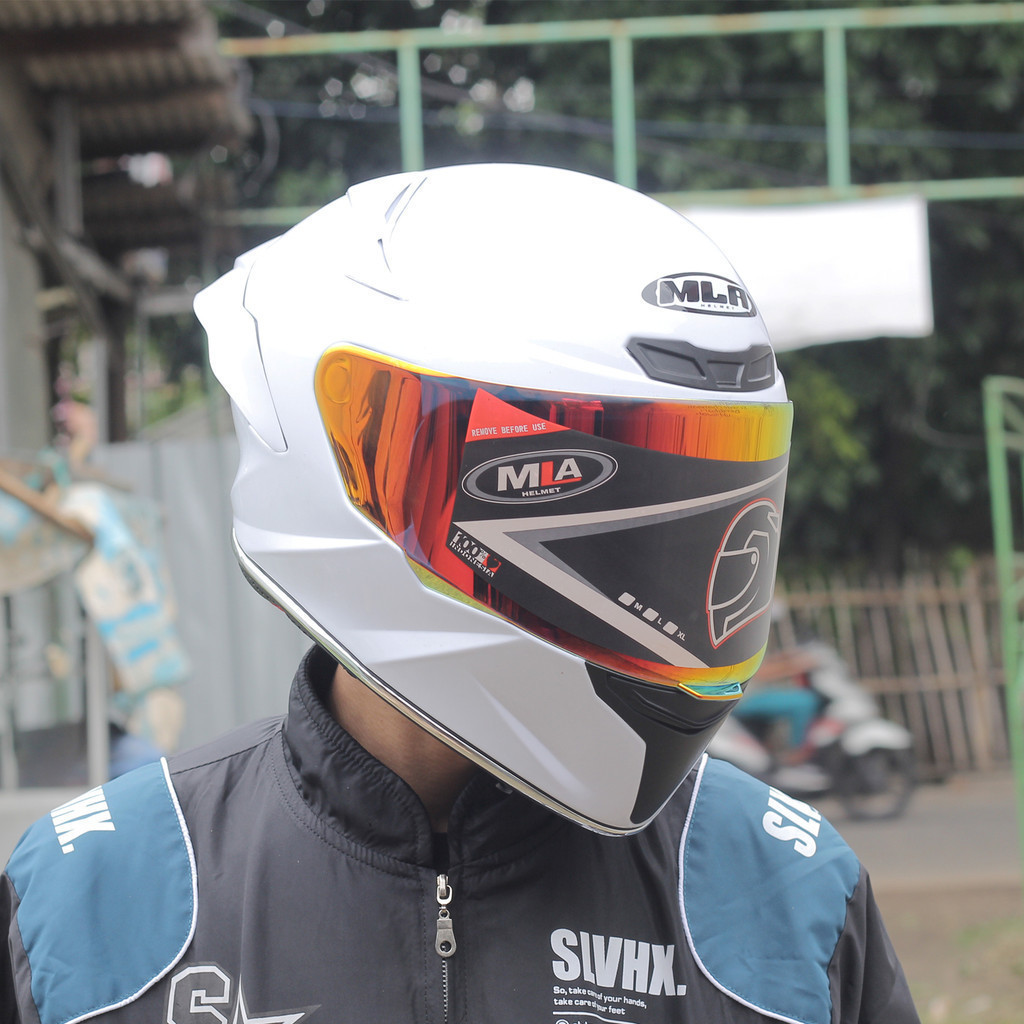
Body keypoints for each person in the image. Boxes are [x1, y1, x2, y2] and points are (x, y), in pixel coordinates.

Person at [1, 164, 919, 1023]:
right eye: (614, 514)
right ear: (370, 468)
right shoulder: (97, 900)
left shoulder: (786, 893)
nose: (689, 584)